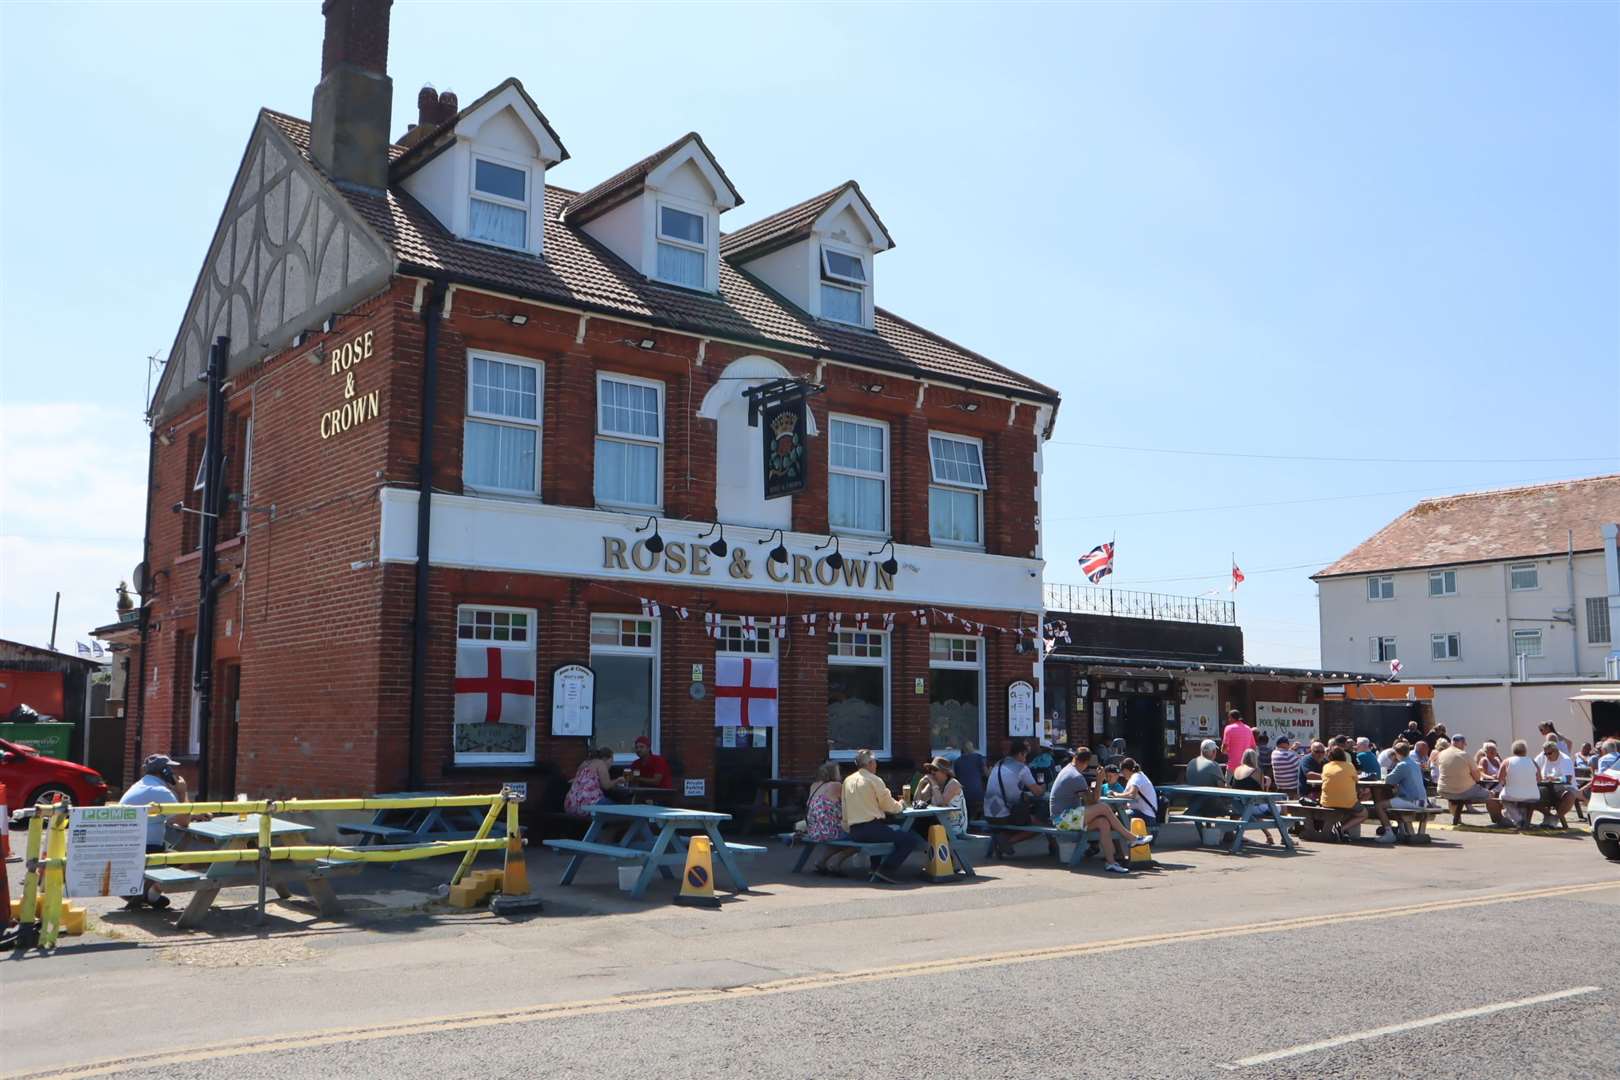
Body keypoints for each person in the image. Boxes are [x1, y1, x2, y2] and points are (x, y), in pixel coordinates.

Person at [118, 754, 196, 910]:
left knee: (176, 848)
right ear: (165, 771)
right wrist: (182, 792)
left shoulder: (140, 785)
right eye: (171, 769)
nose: (174, 773)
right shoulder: (160, 791)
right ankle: (151, 892)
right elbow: (183, 821)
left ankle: (140, 892)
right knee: (190, 859)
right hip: (145, 849)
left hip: (126, 848)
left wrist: (198, 814)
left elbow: (169, 817)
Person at [1052, 748, 1146, 875]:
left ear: (1074, 758)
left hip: (1066, 818)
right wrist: (1099, 780)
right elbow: (1093, 801)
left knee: (1103, 823)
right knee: (1103, 807)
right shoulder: (1075, 776)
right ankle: (1130, 837)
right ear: (1086, 762)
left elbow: (1090, 800)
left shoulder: (1068, 770)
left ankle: (1111, 862)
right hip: (1062, 820)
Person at [842, 748, 923, 883]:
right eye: (875, 761)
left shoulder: (847, 780)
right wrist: (901, 805)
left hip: (854, 831)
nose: (876, 764)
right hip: (870, 829)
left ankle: (874, 868)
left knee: (884, 830)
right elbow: (888, 806)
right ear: (870, 763)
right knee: (909, 839)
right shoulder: (874, 780)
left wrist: (847, 827)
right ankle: (886, 870)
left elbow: (844, 807)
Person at [1320, 747, 1394, 843]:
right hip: (1347, 802)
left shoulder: (1326, 767)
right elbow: (1356, 780)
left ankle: (1340, 829)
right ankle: (1342, 829)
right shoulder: (1349, 766)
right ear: (1343, 756)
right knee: (1364, 814)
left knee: (1348, 806)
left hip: (1326, 802)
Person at [986, 741, 1049, 855]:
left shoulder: (998, 764)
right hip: (1005, 816)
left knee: (1024, 815)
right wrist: (1044, 786)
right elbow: (1038, 793)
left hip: (988, 814)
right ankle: (1007, 842)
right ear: (1020, 754)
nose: (1025, 760)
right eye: (1025, 756)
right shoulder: (1021, 768)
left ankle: (1002, 837)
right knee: (1042, 824)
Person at [1434, 734, 1502, 825]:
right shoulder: (1464, 755)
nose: (1465, 746)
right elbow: (1477, 778)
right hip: (1463, 790)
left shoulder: (1441, 754)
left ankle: (1457, 819)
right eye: (1464, 744)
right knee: (1491, 795)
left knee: (1453, 799)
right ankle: (1499, 820)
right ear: (1460, 743)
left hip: (1444, 790)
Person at [803, 761, 857, 875]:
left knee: (839, 838)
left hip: (814, 831)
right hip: (830, 831)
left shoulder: (814, 785)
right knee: (860, 837)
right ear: (834, 773)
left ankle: (821, 861)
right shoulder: (836, 785)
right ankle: (836, 863)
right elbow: (849, 804)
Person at [912, 756, 967, 838]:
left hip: (955, 827)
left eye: (935, 769)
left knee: (920, 824)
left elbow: (940, 804)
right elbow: (917, 800)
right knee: (915, 823)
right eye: (930, 770)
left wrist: (933, 785)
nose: (932, 772)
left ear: (944, 772)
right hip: (940, 822)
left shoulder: (953, 784)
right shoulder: (934, 783)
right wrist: (920, 784)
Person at [1230, 748, 1276, 845]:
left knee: (1244, 809)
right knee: (1281, 808)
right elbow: (1263, 795)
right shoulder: (1256, 771)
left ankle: (1231, 833)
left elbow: (1231, 787)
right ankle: (1284, 837)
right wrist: (1267, 784)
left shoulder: (1236, 770)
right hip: (1251, 805)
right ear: (1255, 758)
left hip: (1237, 805)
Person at [564, 747, 626, 817]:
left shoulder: (584, 764)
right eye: (611, 761)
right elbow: (606, 785)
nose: (611, 764)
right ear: (606, 758)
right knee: (624, 811)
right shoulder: (600, 763)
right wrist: (617, 780)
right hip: (588, 805)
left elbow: (574, 780)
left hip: (570, 805)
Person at [1497, 740, 1542, 828]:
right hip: (1533, 795)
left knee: (1503, 798)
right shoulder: (1533, 761)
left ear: (1513, 750)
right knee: (1522, 799)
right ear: (1525, 750)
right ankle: (1521, 820)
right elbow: (1539, 779)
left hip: (1511, 794)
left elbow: (1500, 778)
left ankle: (1518, 819)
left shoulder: (1507, 761)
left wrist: (1506, 782)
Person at [1533, 740, 1577, 828]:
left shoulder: (1565, 759)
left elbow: (1568, 779)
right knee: (1530, 796)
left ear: (1556, 751)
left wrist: (1554, 778)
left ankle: (1556, 818)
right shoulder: (1543, 756)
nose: (1547, 756)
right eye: (1545, 754)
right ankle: (1549, 816)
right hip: (1546, 788)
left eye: (1549, 753)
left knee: (1570, 795)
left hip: (1563, 788)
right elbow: (1533, 764)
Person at [1185, 739, 1227, 817]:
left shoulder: (1191, 763)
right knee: (1232, 802)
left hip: (1192, 801)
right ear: (1213, 752)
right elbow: (1222, 788)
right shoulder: (1213, 765)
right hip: (1210, 804)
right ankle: (1230, 826)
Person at [954, 740, 987, 821]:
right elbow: (986, 774)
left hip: (963, 795)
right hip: (977, 795)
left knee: (967, 817)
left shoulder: (957, 762)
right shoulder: (978, 758)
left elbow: (956, 778)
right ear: (972, 749)